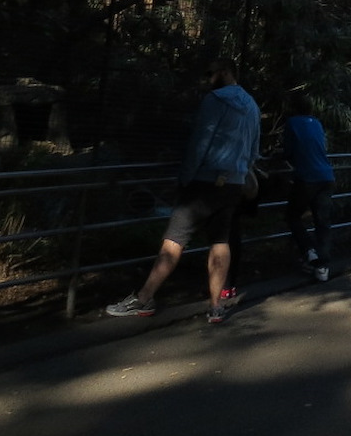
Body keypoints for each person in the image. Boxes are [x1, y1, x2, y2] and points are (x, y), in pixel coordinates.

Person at [106, 69, 261, 324]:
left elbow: (202, 139)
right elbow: (254, 149)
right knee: (221, 240)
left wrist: (186, 176)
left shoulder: (215, 100)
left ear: (219, 75)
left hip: (204, 180)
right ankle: (215, 306)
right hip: (233, 181)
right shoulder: (253, 106)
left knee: (174, 238)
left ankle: (143, 299)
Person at [283, 90, 335, 282]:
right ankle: (323, 266)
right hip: (326, 175)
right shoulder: (317, 123)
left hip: (306, 177)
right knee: (322, 222)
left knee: (292, 216)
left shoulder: (292, 123)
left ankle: (309, 251)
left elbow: (288, 151)